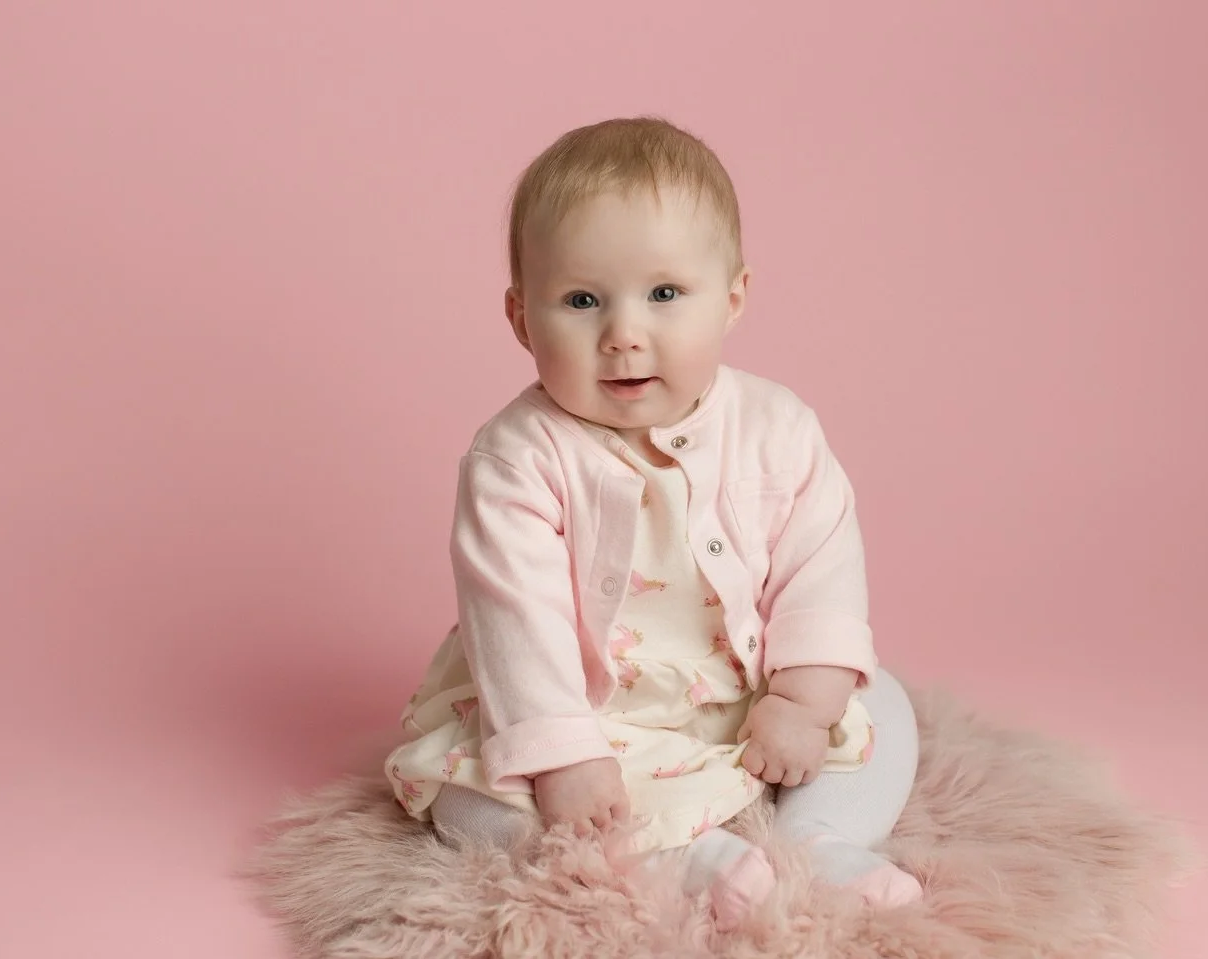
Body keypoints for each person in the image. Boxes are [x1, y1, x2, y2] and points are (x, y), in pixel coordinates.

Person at [385, 116, 922, 930]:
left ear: (733, 297)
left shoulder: (778, 426)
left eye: (665, 294)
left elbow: (821, 560)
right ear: (523, 319)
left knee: (880, 702)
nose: (624, 334)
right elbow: (513, 618)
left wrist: (804, 701)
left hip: (745, 689)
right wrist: (565, 754)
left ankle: (819, 837)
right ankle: (670, 858)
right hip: (589, 707)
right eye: (581, 300)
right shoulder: (515, 460)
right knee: (476, 799)